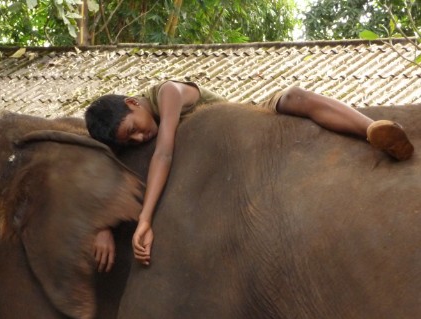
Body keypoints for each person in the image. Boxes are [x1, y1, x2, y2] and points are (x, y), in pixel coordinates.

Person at [85, 80, 414, 269]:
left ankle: (374, 131)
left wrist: (144, 220)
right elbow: (117, 169)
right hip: (227, 168)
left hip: (254, 119)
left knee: (296, 96)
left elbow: (164, 152)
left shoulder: (166, 93)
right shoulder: (138, 134)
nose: (141, 138)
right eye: (130, 142)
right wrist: (103, 225)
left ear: (133, 103)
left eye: (134, 130)